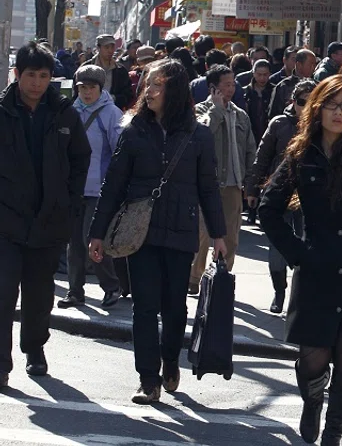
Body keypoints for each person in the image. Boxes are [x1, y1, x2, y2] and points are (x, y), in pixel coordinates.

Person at [258, 75, 342, 444]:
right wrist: (298, 254)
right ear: (317, 108)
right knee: (314, 356)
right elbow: (268, 210)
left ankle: (334, 430)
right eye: (333, 105)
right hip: (316, 267)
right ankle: (312, 400)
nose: (340, 114)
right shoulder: (300, 152)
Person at [89, 59, 227, 404]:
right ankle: (148, 379)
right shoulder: (134, 130)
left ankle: (169, 359)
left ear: (175, 91)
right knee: (145, 306)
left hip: (182, 232)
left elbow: (209, 188)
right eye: (147, 85)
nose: (147, 92)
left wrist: (218, 235)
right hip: (142, 234)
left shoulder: (198, 135)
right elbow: (114, 185)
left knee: (175, 307)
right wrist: (97, 232)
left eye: (156, 85)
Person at [0, 43, 91, 389]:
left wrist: (69, 201)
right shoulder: (2, 111)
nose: (36, 83)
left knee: (39, 296)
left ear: (51, 78)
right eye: (30, 75)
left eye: (43, 76)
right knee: (3, 293)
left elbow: (81, 159)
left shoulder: (65, 114)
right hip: (6, 221)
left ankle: (34, 348)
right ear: (17, 75)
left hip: (49, 220)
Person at [59, 65, 125, 310]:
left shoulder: (111, 113)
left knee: (92, 240)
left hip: (100, 189)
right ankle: (75, 291)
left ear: (101, 88)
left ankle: (111, 286)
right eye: (82, 88)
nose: (86, 93)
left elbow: (120, 151)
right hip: (74, 188)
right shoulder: (69, 111)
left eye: (91, 88)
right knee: (73, 242)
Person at [249, 79, 317, 315]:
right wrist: (252, 189)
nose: (305, 107)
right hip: (281, 196)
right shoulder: (279, 124)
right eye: (301, 102)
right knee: (278, 248)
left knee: (308, 248)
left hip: (310, 199)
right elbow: (262, 157)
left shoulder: (323, 127)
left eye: (311, 102)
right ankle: (279, 291)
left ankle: (301, 298)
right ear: (293, 102)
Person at [190, 64, 257, 293]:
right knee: (201, 234)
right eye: (226, 85)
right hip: (207, 183)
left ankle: (220, 278)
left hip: (232, 185)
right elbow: (202, 136)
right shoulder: (200, 112)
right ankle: (194, 278)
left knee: (230, 236)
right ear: (213, 88)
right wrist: (216, 110)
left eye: (233, 84)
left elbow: (250, 150)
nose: (231, 89)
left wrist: (250, 183)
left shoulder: (241, 115)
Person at [269, 49, 318, 119]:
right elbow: (274, 114)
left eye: (315, 64)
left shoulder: (317, 86)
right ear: (299, 64)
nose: (314, 68)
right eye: (310, 64)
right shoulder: (283, 86)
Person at [93, 34, 133, 109]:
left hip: (113, 111)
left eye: (112, 47)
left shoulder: (120, 70)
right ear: (98, 48)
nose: (110, 51)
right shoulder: (87, 68)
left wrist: (113, 98)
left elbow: (128, 94)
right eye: (106, 47)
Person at [244, 59, 275, 145]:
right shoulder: (246, 92)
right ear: (253, 74)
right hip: (250, 134)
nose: (262, 78)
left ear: (269, 74)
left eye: (265, 75)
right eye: (259, 74)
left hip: (269, 134)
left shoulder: (275, 91)